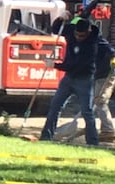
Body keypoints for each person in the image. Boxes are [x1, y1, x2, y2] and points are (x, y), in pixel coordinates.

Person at [40, 16, 99, 145]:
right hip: (68, 77)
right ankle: (46, 137)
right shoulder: (71, 31)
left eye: (81, 36)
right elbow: (55, 29)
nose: (78, 38)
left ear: (88, 33)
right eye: (76, 34)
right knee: (55, 106)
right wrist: (61, 18)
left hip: (84, 79)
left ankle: (93, 141)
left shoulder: (92, 45)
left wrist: (54, 65)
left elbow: (75, 65)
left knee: (87, 111)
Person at [94, 36, 115, 142]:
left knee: (101, 101)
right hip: (98, 76)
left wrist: (114, 58)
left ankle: (108, 131)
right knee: (97, 101)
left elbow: (110, 49)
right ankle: (99, 129)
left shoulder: (98, 40)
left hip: (108, 75)